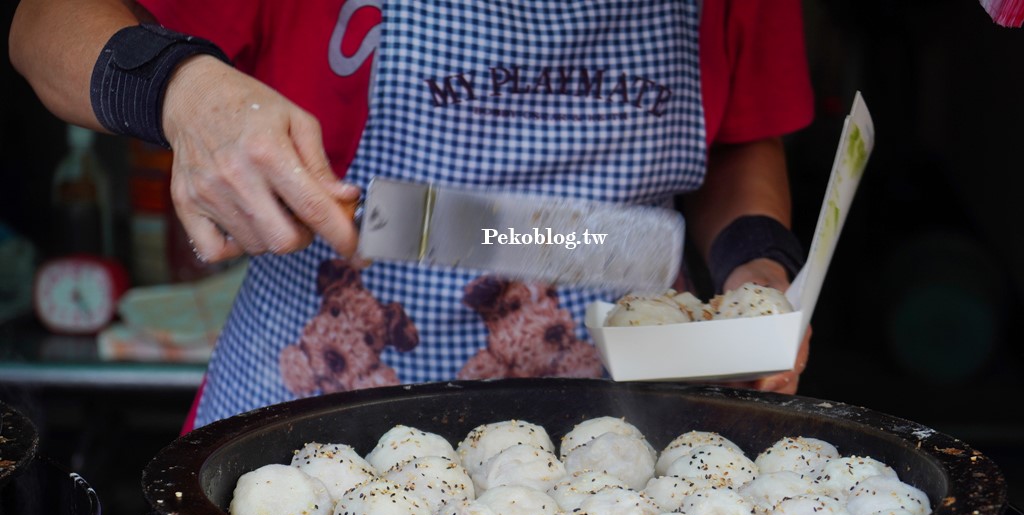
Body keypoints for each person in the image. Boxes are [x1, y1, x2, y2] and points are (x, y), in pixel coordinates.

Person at [10, 0, 814, 431]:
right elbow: (43, 24)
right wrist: (179, 89)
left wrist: (755, 273)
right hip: (314, 415)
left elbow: (746, 138)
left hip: (621, 433)